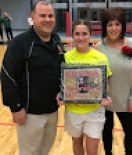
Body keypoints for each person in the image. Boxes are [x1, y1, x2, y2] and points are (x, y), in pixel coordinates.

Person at [1, 1, 65, 155]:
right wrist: (16, 107)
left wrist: (64, 91)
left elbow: (63, 69)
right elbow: (7, 75)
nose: (47, 19)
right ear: (32, 17)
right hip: (29, 115)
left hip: (52, 112)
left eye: (50, 16)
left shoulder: (56, 40)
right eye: (42, 15)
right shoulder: (20, 43)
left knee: (45, 151)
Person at [57, 19, 112, 155]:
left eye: (84, 34)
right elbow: (64, 85)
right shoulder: (66, 58)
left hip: (95, 111)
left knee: (92, 150)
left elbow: (106, 85)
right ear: (72, 36)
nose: (81, 38)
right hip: (73, 111)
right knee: (76, 143)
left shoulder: (101, 58)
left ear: (90, 35)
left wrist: (104, 96)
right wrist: (61, 94)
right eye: (77, 34)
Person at [95, 7, 132, 155]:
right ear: (105, 27)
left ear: (122, 25)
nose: (114, 28)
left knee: (131, 133)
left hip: (127, 101)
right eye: (110, 24)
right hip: (106, 102)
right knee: (106, 134)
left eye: (117, 24)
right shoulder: (98, 48)